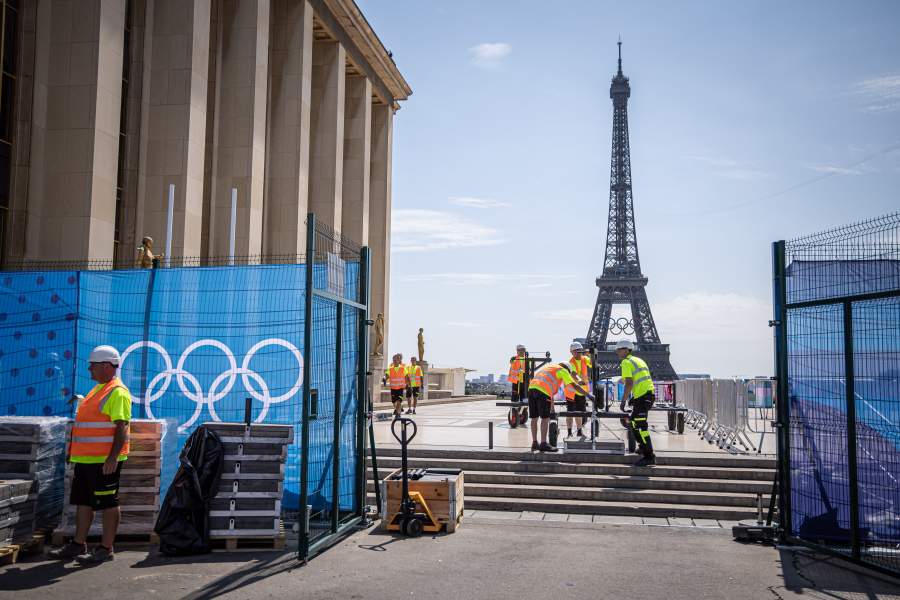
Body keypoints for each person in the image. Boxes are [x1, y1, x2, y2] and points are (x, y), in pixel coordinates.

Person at [48, 346, 132, 563]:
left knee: (108, 502)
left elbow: (122, 426)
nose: (88, 368)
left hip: (104, 461)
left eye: (92, 364)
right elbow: (86, 425)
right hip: (85, 458)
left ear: (106, 366)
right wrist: (72, 451)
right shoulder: (98, 389)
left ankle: (106, 549)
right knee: (83, 501)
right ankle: (78, 545)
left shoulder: (117, 391)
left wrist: (113, 457)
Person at [528, 362, 592, 452]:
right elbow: (575, 386)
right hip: (543, 391)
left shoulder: (549, 368)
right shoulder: (562, 370)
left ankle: (534, 443)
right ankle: (543, 444)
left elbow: (551, 394)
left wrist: (552, 410)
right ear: (568, 369)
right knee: (545, 418)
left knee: (534, 417)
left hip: (531, 388)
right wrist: (589, 396)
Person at [615, 339, 657, 467]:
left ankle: (649, 456)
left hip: (643, 396)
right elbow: (640, 380)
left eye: (619, 350)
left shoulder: (626, 362)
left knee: (640, 426)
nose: (617, 352)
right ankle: (642, 447)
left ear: (626, 350)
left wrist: (623, 400)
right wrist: (633, 397)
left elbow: (629, 383)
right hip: (646, 394)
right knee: (633, 421)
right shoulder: (639, 360)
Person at [564, 342, 592, 437]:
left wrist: (590, 354)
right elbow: (573, 374)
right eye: (576, 352)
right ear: (571, 352)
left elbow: (592, 364)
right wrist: (579, 380)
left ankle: (579, 431)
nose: (578, 354)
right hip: (572, 392)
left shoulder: (585, 359)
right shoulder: (570, 362)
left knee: (579, 413)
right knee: (570, 413)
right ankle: (569, 432)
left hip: (581, 391)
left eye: (580, 352)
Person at [387, 354, 409, 420]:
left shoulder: (403, 368)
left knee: (399, 401)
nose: (394, 361)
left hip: (400, 388)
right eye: (393, 360)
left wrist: (408, 385)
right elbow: (387, 375)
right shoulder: (390, 368)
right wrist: (384, 379)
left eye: (395, 360)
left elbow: (407, 376)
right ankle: (397, 411)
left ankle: (397, 413)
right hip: (393, 388)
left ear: (399, 360)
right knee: (394, 401)